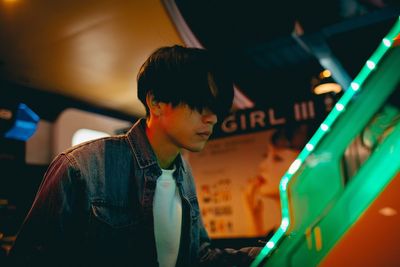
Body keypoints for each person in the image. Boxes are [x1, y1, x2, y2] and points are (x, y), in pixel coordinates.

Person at [9, 45, 261, 267]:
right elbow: (31, 259)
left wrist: (265, 255)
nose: (212, 118)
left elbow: (197, 256)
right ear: (156, 102)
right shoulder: (82, 166)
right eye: (199, 104)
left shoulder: (183, 174)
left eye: (215, 108)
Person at [244, 124, 311, 236]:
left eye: (277, 158)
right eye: (265, 155)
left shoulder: (313, 229)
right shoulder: (277, 233)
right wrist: (253, 215)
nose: (262, 165)